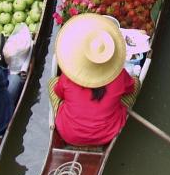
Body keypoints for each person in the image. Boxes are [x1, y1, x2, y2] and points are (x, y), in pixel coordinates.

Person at [52, 13, 137, 146]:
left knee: (52, 83)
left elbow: (58, 93)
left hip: (69, 134)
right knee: (136, 82)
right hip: (107, 134)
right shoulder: (119, 75)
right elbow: (131, 88)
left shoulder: (69, 76)